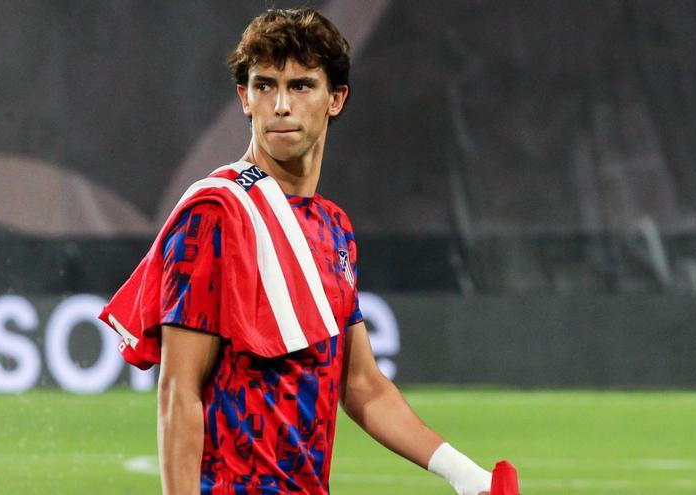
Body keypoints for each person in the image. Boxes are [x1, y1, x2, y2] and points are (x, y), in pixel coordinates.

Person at [100, 8, 492, 495]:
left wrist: (466, 475)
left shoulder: (334, 229)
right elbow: (180, 390)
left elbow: (363, 386)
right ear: (244, 98)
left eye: (301, 86)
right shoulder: (219, 214)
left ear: (336, 99)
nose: (280, 104)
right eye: (264, 86)